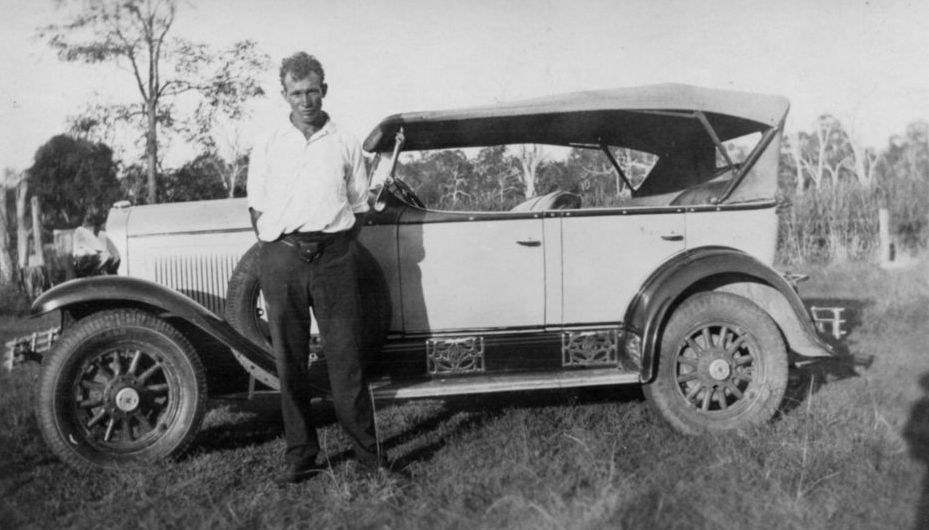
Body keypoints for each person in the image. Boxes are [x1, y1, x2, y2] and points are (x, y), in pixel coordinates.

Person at [246, 52, 380, 484]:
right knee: (290, 361)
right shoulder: (268, 142)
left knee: (346, 360)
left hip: (334, 258)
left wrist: (334, 247)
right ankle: (302, 454)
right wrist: (280, 246)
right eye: (296, 93)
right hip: (282, 258)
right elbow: (256, 206)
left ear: (325, 90)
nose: (305, 101)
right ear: (284, 95)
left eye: (312, 91)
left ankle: (369, 458)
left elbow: (359, 206)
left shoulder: (345, 140)